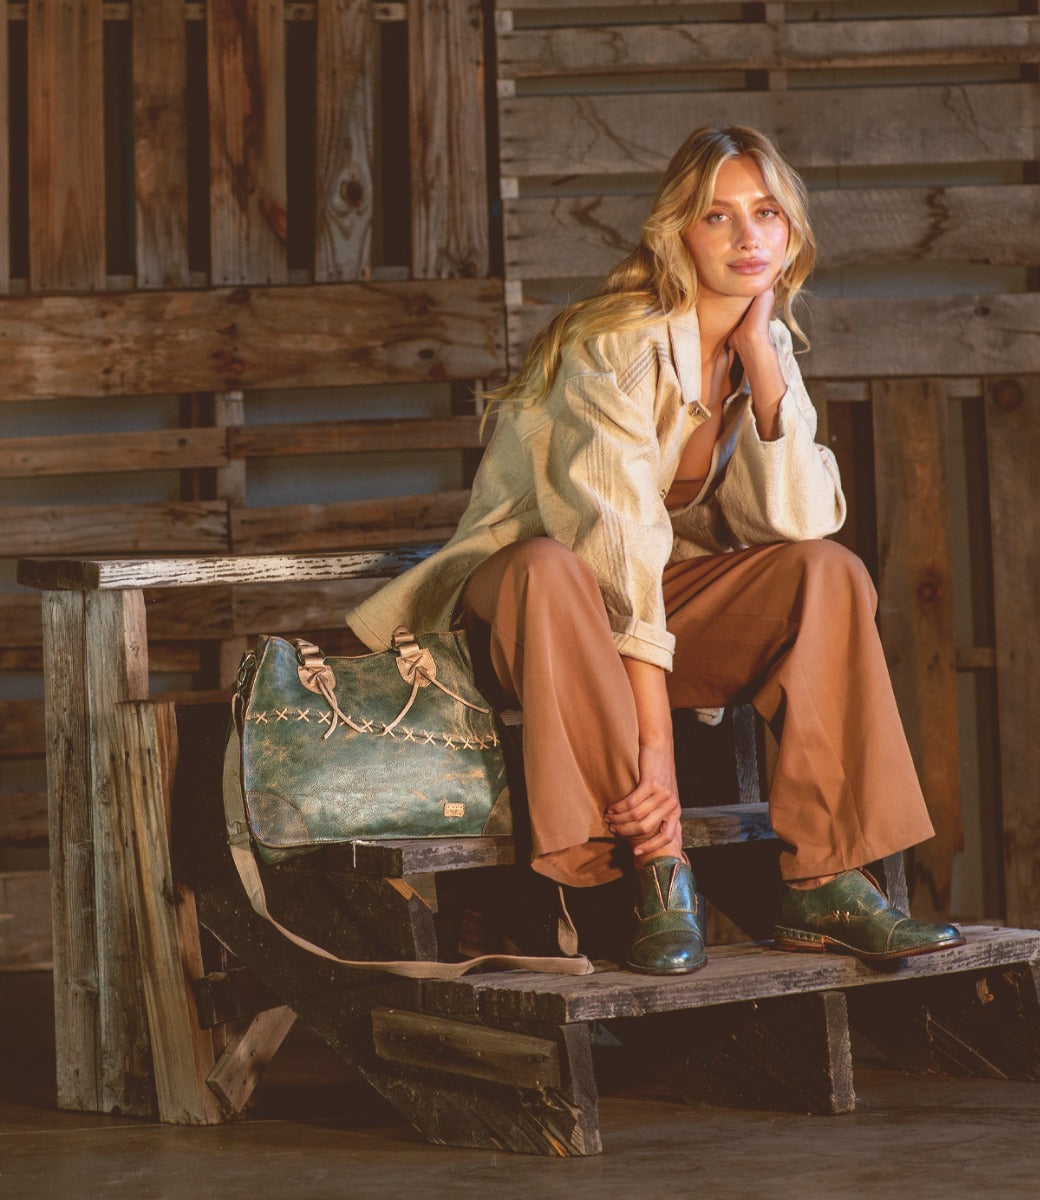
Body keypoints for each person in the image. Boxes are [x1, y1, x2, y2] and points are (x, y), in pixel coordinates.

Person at [347, 125, 963, 975]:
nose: (748, 236)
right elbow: (616, 544)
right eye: (718, 216)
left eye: (767, 213)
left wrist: (765, 370)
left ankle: (825, 882)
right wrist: (657, 757)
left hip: (646, 618)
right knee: (550, 570)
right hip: (525, 624)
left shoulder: (766, 346)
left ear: (792, 231)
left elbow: (800, 521)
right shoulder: (615, 343)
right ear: (679, 234)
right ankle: (653, 871)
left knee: (829, 573)